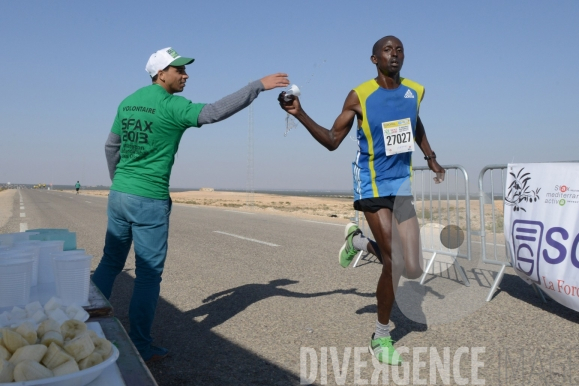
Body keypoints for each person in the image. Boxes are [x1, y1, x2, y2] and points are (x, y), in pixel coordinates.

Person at [92, 47, 289, 362]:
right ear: (161, 73)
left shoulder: (128, 102)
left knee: (109, 264)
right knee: (147, 275)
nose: (185, 75)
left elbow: (110, 145)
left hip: (119, 195)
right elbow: (212, 112)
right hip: (149, 200)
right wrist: (256, 86)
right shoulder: (171, 106)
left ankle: (84, 328)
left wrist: (120, 182)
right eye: (178, 70)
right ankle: (140, 346)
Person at [278, 36, 444, 365]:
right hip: (371, 183)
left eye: (399, 50)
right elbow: (331, 140)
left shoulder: (415, 91)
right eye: (387, 50)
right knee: (394, 260)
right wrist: (299, 113)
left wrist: (430, 156)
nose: (394, 55)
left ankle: (357, 242)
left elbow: (415, 121)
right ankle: (381, 338)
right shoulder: (360, 96)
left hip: (400, 185)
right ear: (374, 59)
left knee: (412, 268)